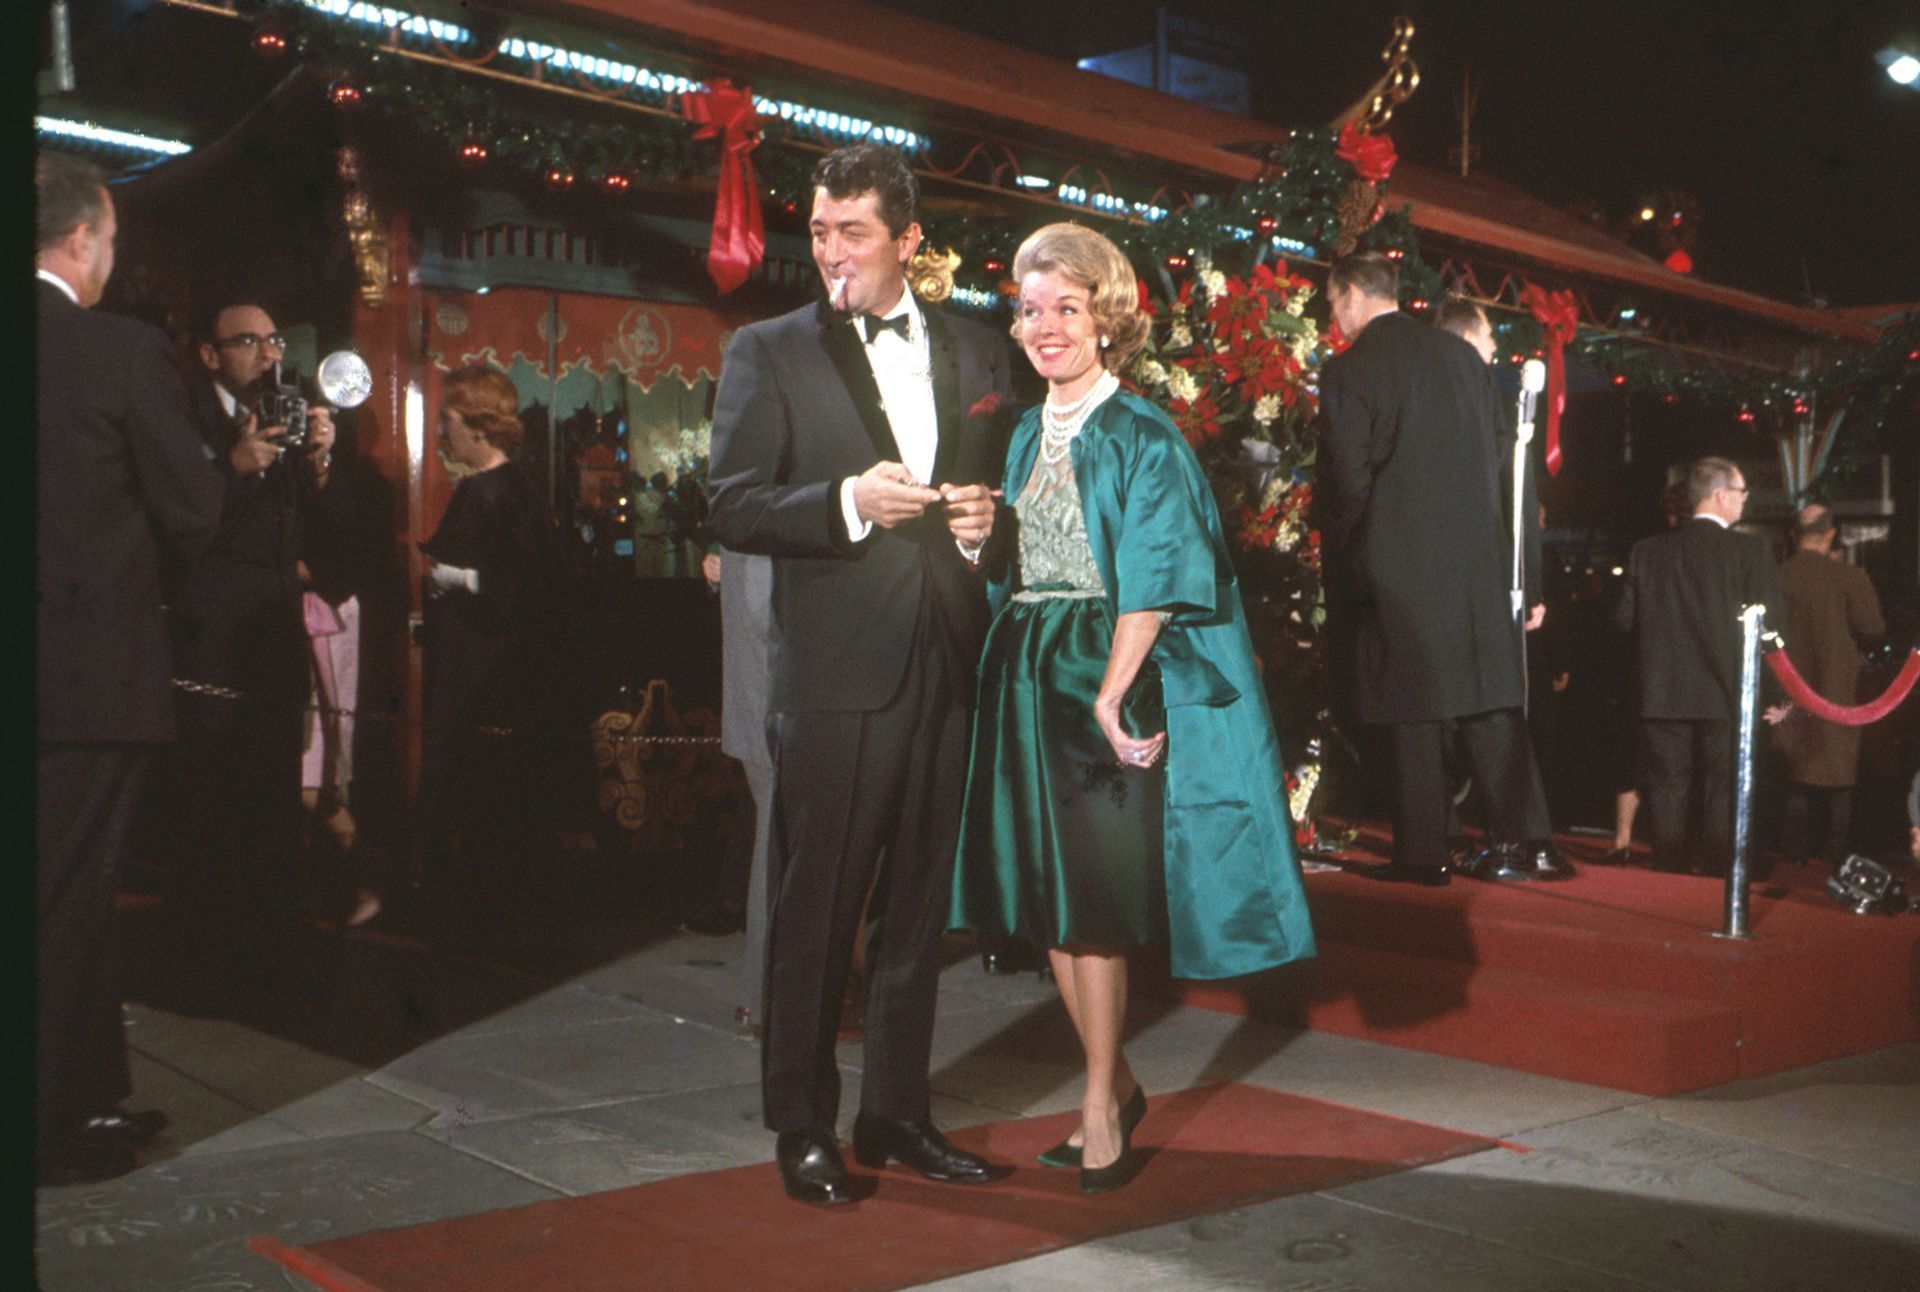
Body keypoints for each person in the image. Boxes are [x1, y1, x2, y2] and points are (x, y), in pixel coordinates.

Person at [949, 223, 1315, 1193]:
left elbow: (1155, 578)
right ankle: (1114, 1082)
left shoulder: (1143, 430)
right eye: (1031, 309)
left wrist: (1112, 695)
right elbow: (1019, 562)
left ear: (1106, 316)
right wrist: (980, 536)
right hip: (1025, 662)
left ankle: (1102, 1097)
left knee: (1097, 906)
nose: (1045, 326)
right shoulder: (1027, 427)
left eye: (1066, 306)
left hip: (1102, 671)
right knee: (1053, 904)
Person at [706, 142, 1012, 1205]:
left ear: (909, 244)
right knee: (817, 907)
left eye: (855, 233)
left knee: (921, 908)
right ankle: (803, 1121)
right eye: (820, 231)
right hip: (838, 666)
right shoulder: (769, 349)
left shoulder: (979, 352)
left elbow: (1003, 505)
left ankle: (895, 1111)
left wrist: (986, 524)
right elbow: (732, 502)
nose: (831, 252)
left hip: (948, 653)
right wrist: (844, 502)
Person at [36, 152, 224, 1183]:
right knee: (69, 896)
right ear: (78, 240)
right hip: (86, 673)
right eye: (108, 238)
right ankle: (47, 1127)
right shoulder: (116, 352)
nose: (112, 254)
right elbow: (193, 510)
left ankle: (87, 1095)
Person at [1317, 253, 1553, 885]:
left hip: (1397, 559)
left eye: (1332, 302)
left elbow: (1346, 477)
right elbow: (1503, 464)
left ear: (1352, 294)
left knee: (1411, 707)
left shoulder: (1351, 368)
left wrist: (1343, 552)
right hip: (1476, 558)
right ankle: (1524, 839)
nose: (1332, 316)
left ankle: (1424, 854)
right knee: (1488, 700)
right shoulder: (1463, 362)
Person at [152, 297, 345, 982]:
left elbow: (305, 532)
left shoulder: (282, 411)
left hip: (271, 634)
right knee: (211, 801)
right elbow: (171, 521)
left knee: (270, 798)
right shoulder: (180, 414)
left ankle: (272, 953)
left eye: (274, 342)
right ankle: (203, 961)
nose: (268, 355)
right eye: (248, 342)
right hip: (211, 640)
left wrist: (317, 464)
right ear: (209, 354)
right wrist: (232, 465)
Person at [1430, 298, 1570, 878]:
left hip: (1454, 583)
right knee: (1491, 711)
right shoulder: (1487, 404)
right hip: (1486, 583)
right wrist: (1531, 586)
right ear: (1465, 340)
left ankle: (1486, 835)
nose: (1494, 351)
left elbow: (1518, 501)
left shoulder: (1451, 404)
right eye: (1487, 339)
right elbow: (1520, 502)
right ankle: (1523, 836)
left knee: (1467, 713)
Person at [418, 365, 561, 923]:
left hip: (477, 666)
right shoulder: (522, 486)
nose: (442, 431)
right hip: (506, 669)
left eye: (448, 419)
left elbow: (518, 583)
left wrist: (451, 578)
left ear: (478, 426)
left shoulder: (483, 493)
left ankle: (473, 909)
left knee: (471, 787)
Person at [1615, 457, 1784, 875]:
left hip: (1662, 689)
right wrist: (1777, 694)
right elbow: (1772, 631)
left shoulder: (1646, 551)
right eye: (1742, 493)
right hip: (1726, 691)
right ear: (1721, 494)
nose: (1745, 501)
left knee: (1668, 786)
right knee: (1720, 789)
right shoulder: (1751, 551)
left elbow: (1622, 621)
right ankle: (1715, 870)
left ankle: (1668, 866)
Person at [1773, 504, 1885, 865]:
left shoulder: (1777, 577)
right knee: (1839, 777)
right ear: (1831, 533)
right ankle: (1835, 856)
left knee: (1795, 774)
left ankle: (1792, 856)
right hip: (1838, 690)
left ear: (1794, 535)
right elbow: (1873, 629)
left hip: (1787, 689)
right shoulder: (1849, 579)